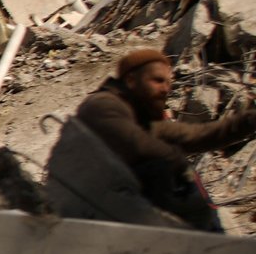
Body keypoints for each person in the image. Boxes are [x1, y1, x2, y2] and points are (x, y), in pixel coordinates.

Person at [51, 48, 256, 231]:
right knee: (164, 169)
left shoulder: (140, 118)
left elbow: (197, 135)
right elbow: (136, 145)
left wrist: (248, 121)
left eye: (168, 82)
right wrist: (178, 163)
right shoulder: (103, 104)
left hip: (112, 210)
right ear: (131, 80)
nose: (165, 89)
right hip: (87, 212)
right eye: (157, 81)